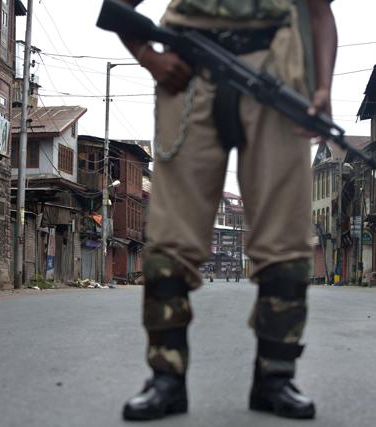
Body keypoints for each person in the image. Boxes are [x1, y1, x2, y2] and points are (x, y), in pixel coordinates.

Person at [117, 0, 337, 421]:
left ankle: (276, 377)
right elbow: (117, 6)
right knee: (170, 237)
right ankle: (166, 377)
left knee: (286, 238)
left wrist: (322, 86)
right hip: (188, 72)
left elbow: (319, 10)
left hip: (277, 71)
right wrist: (148, 57)